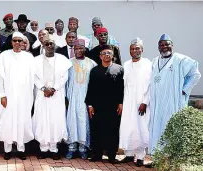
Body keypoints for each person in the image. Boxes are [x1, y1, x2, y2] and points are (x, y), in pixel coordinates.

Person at [147, 34, 201, 167]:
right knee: (156, 130)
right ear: (158, 47)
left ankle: (171, 161)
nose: (164, 46)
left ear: (172, 45)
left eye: (167, 44)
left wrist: (184, 89)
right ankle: (157, 160)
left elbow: (196, 73)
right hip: (157, 104)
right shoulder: (154, 61)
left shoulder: (180, 60)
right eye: (162, 45)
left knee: (170, 129)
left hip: (173, 103)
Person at [0, 32, 35, 160]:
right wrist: (3, 95)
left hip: (24, 96)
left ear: (23, 43)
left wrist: (30, 96)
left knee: (22, 120)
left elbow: (32, 78)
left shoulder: (29, 57)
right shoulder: (4, 56)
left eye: (19, 41)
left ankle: (21, 149)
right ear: (11, 42)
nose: (17, 43)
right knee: (8, 121)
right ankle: (8, 149)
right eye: (15, 40)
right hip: (8, 95)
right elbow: (1, 78)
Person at [32, 35, 72, 160]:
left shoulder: (63, 60)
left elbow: (64, 77)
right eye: (47, 44)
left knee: (55, 120)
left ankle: (54, 148)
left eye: (51, 44)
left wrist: (53, 88)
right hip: (42, 95)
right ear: (43, 45)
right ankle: (43, 148)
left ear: (55, 46)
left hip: (56, 95)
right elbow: (34, 77)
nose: (49, 46)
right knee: (42, 120)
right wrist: (44, 89)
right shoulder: (36, 60)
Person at [85, 45, 124, 164]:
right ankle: (97, 154)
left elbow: (122, 88)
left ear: (113, 55)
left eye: (109, 53)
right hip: (98, 106)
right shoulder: (95, 70)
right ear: (100, 56)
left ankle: (112, 155)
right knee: (97, 129)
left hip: (113, 106)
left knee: (112, 130)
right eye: (104, 53)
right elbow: (90, 88)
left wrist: (121, 103)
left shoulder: (119, 69)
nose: (107, 55)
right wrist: (90, 105)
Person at [119, 38, 152, 167]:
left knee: (141, 128)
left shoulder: (148, 64)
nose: (135, 50)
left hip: (141, 102)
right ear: (130, 51)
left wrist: (145, 102)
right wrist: (121, 102)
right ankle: (128, 155)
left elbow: (151, 86)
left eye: (137, 48)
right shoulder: (126, 65)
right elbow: (122, 85)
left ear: (142, 49)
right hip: (128, 101)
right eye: (133, 48)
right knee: (128, 127)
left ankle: (140, 157)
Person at [66, 39, 97, 160]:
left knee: (83, 122)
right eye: (76, 48)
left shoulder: (92, 64)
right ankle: (71, 147)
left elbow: (94, 84)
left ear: (85, 49)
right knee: (72, 121)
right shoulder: (68, 63)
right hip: (72, 97)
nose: (78, 50)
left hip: (86, 98)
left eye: (81, 48)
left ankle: (83, 148)